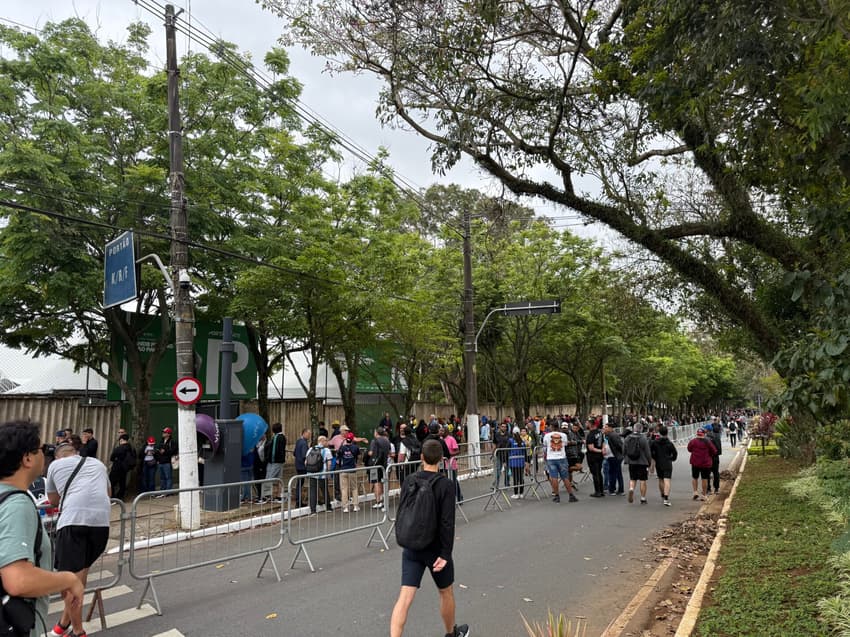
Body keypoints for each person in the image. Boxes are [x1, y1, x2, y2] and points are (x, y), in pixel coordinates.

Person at [0, 421, 84, 637]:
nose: (45, 455)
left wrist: (51, 579)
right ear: (27, 458)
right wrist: (69, 579)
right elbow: (18, 579)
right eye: (41, 450)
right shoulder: (16, 504)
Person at [389, 439, 469, 637]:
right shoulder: (446, 485)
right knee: (445, 592)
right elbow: (447, 523)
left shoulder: (409, 480)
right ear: (442, 459)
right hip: (435, 550)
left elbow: (404, 511)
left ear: (422, 457)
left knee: (405, 597)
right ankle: (451, 633)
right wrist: (445, 552)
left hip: (412, 546)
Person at [46, 442, 111, 637]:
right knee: (78, 579)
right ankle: (62, 624)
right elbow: (108, 494)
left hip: (73, 522)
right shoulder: (98, 464)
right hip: (101, 525)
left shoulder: (55, 466)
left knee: (68, 583)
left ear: (58, 457)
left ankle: (78, 631)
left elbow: (53, 500)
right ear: (76, 453)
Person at [542, 427, 578, 503]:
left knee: (554, 477)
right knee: (565, 477)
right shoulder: (563, 435)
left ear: (551, 427)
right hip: (561, 457)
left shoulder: (547, 435)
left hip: (551, 458)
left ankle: (557, 496)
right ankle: (571, 495)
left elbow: (544, 444)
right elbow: (565, 444)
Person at [650, 425, 678, 506]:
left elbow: (651, 451)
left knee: (661, 479)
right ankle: (666, 498)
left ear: (659, 433)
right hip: (667, 462)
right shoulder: (669, 443)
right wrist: (672, 459)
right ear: (667, 433)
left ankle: (662, 493)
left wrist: (655, 457)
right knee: (667, 480)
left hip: (658, 462)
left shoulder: (655, 442)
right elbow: (675, 453)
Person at [623, 427, 652, 504]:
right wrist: (649, 462)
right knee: (643, 480)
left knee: (633, 478)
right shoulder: (643, 438)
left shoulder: (627, 438)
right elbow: (647, 452)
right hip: (642, 462)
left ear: (633, 429)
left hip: (631, 462)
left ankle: (631, 488)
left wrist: (626, 459)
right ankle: (643, 498)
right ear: (641, 430)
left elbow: (624, 450)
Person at [687, 428, 717, 501]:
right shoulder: (708, 441)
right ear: (704, 434)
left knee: (695, 477)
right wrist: (709, 455)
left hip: (695, 462)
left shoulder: (693, 441)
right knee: (704, 479)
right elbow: (714, 451)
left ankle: (695, 492)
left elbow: (689, 449)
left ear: (697, 433)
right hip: (705, 463)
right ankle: (703, 495)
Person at [307, 435, 333, 515]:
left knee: (312, 491)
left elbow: (306, 462)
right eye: (326, 441)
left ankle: (313, 510)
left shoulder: (311, 449)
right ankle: (328, 507)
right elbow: (329, 463)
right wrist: (328, 472)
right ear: (323, 441)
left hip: (311, 473)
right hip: (322, 474)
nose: (327, 442)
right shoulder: (326, 450)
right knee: (324, 490)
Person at [368, 427, 391, 509]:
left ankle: (378, 501)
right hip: (384, 464)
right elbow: (389, 452)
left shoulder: (374, 441)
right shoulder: (387, 441)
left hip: (375, 464)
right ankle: (383, 500)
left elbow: (371, 453)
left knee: (376, 482)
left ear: (377, 433)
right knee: (382, 482)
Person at [337, 432, 361, 512]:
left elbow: (338, 457)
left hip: (343, 469)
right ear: (352, 439)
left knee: (344, 489)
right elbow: (358, 457)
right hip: (352, 469)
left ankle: (345, 507)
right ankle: (355, 506)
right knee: (354, 488)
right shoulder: (355, 447)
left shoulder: (342, 448)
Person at [108, 433, 135, 501]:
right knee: (122, 483)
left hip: (117, 467)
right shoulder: (131, 448)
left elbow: (112, 457)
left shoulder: (119, 448)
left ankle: (113, 498)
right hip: (125, 468)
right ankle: (120, 497)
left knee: (111, 483)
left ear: (121, 440)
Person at [602, 423, 625, 496]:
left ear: (610, 428)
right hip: (613, 456)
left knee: (613, 473)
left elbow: (619, 445)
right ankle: (619, 490)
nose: (604, 428)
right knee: (617, 473)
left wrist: (619, 454)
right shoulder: (609, 435)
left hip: (614, 457)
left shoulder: (613, 435)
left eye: (606, 427)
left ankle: (612, 489)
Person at [585, 420, 606, 497]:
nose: (586, 425)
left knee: (595, 474)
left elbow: (591, 448)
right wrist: (603, 449)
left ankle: (598, 491)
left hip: (593, 456)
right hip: (600, 456)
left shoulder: (590, 435)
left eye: (587, 423)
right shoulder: (599, 432)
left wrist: (600, 450)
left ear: (591, 424)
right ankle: (601, 490)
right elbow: (603, 442)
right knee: (599, 473)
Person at [266, 423, 287, 503]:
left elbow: (276, 451)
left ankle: (269, 495)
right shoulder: (278, 437)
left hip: (276, 461)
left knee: (270, 478)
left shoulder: (278, 438)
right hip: (277, 461)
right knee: (278, 478)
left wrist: (272, 459)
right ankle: (279, 495)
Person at [293, 428, 311, 508]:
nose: (309, 436)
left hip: (298, 465)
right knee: (301, 484)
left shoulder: (298, 441)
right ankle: (299, 501)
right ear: (304, 433)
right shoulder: (304, 443)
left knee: (299, 484)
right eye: (308, 434)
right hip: (303, 466)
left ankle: (299, 501)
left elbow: (294, 453)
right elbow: (304, 455)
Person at [508, 428, 526, 499]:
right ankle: (521, 493)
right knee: (521, 478)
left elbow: (507, 450)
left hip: (513, 462)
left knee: (515, 478)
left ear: (513, 433)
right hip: (521, 462)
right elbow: (524, 451)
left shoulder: (511, 441)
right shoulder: (522, 442)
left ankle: (516, 493)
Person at [706, 421, 723, 495]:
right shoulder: (717, 437)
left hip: (707, 458)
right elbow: (719, 449)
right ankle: (716, 488)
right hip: (715, 457)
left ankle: (708, 489)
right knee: (716, 473)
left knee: (707, 474)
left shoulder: (705, 438)